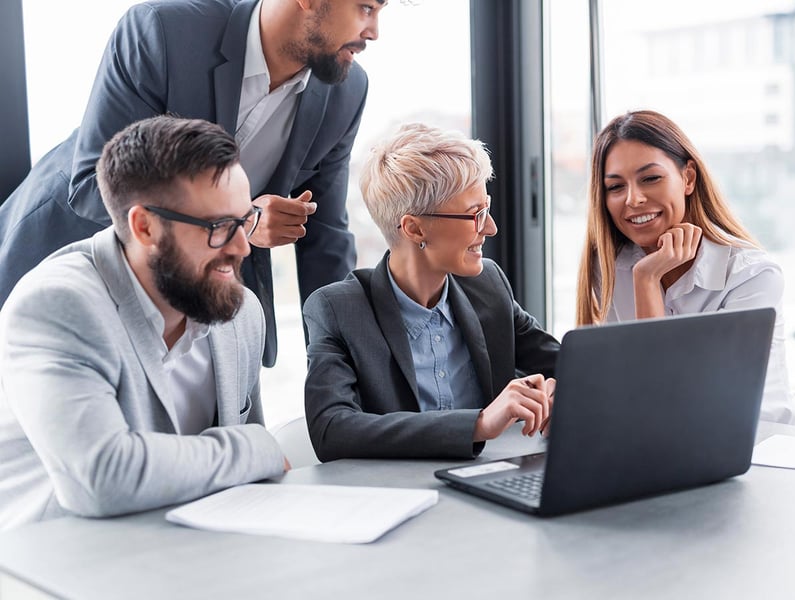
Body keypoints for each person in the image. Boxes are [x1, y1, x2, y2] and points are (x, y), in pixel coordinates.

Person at [0, 0, 387, 367]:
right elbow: (92, 187)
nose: (374, 32)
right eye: (365, 7)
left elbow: (325, 239)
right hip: (63, 257)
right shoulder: (161, 32)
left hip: (188, 304)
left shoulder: (346, 92)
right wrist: (242, 220)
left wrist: (344, 373)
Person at [0, 116, 289, 530]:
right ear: (145, 226)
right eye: (219, 227)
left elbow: (255, 481)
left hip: (190, 554)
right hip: (52, 571)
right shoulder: (55, 306)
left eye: (246, 221)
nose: (243, 247)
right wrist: (253, 447)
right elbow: (103, 478)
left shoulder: (241, 312)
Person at [303, 123, 561, 462]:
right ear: (414, 228)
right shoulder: (339, 309)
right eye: (475, 214)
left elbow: (566, 363)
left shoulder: (488, 286)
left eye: (487, 207)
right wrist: (478, 424)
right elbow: (331, 430)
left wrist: (562, 388)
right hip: (395, 499)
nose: (491, 227)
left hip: (488, 490)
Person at [576, 109, 795, 424]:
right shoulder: (612, 269)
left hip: (760, 448)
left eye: (650, 178)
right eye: (615, 187)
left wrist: (647, 279)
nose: (633, 199)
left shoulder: (752, 277)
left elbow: (671, 401)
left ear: (688, 178)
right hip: (664, 448)